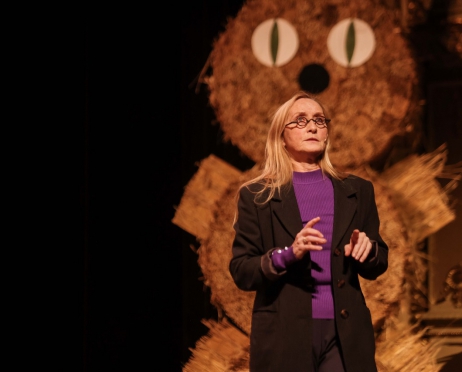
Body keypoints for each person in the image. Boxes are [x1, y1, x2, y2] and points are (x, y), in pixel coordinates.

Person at [229, 91, 388, 372]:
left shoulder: (358, 191)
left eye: (319, 120)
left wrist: (368, 249)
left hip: (344, 335)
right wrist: (289, 254)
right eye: (300, 121)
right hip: (284, 336)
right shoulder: (257, 196)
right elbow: (242, 270)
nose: (312, 126)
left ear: (326, 134)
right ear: (281, 136)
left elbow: (379, 261)